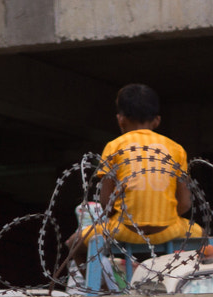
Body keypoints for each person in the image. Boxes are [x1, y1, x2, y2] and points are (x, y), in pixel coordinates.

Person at [68, 83, 202, 261]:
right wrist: (161, 216)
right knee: (202, 235)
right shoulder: (176, 149)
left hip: (124, 230)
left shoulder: (114, 146)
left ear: (120, 119)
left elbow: (105, 202)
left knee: (73, 243)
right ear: (157, 120)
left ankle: (100, 287)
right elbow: (185, 204)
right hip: (168, 231)